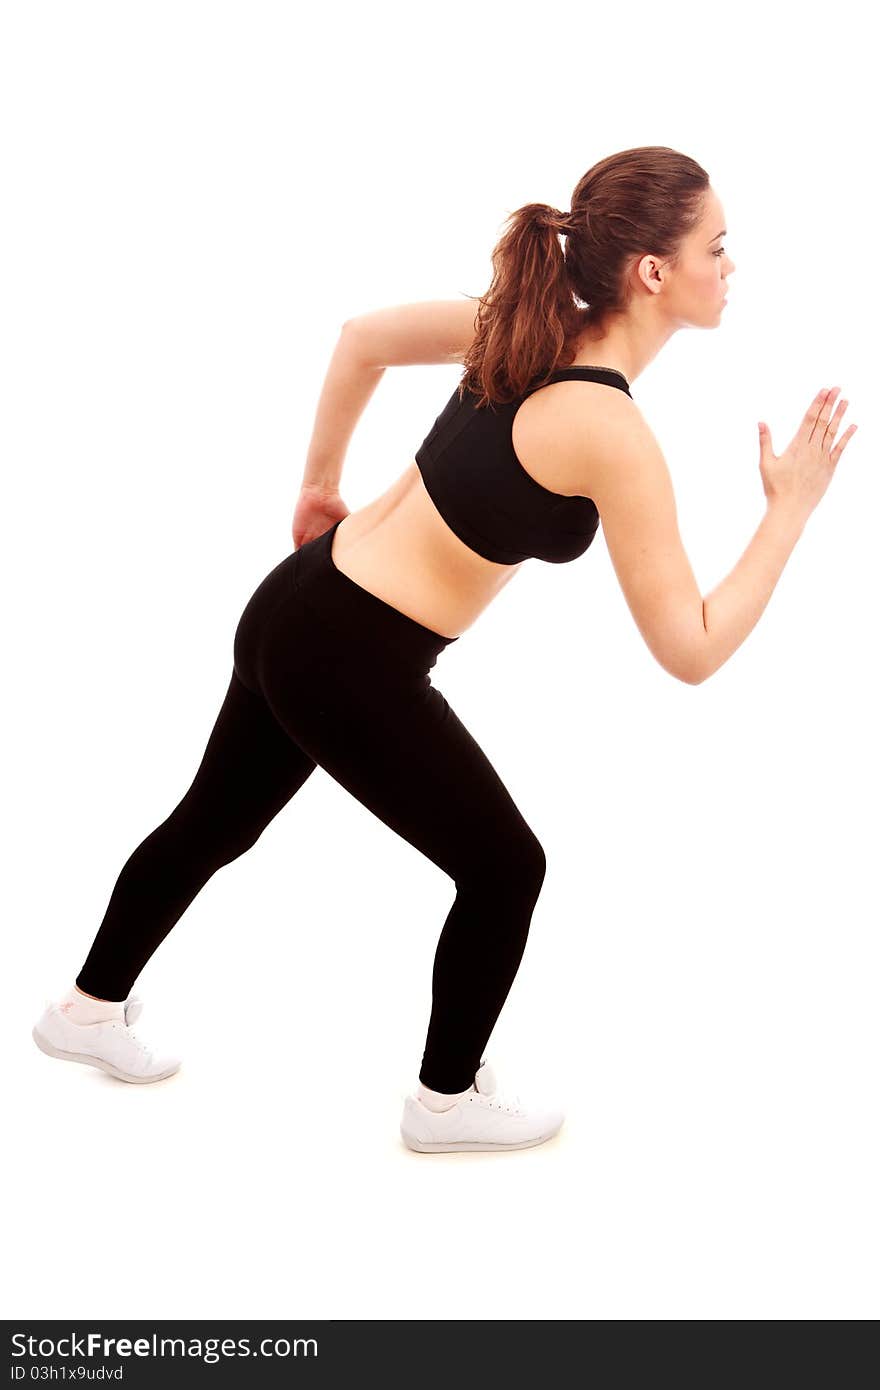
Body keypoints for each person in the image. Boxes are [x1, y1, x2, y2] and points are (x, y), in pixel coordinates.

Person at [32, 145, 856, 1154]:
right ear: (652, 272)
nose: (730, 267)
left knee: (213, 820)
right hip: (348, 657)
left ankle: (82, 1012)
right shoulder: (608, 429)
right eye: (716, 248)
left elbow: (360, 340)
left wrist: (317, 487)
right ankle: (445, 1102)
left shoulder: (514, 324)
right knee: (505, 866)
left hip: (299, 600)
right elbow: (689, 648)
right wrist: (790, 512)